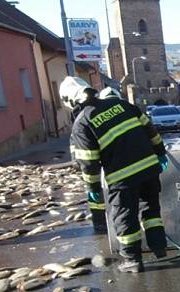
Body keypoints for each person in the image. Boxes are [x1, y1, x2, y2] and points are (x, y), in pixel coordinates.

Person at [61, 76, 168, 273]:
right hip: (150, 168)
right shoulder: (121, 104)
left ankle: (131, 259)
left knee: (124, 216)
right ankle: (159, 247)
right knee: (151, 209)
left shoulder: (82, 122)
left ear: (69, 101)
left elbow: (88, 162)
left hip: (123, 177)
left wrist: (92, 188)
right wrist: (160, 153)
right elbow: (150, 130)